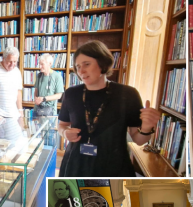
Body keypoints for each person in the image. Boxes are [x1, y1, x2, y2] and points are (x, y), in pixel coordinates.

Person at [58, 40, 159, 177]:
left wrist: (147, 128)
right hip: (76, 164)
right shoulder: (71, 94)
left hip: (113, 166)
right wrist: (65, 133)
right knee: (72, 199)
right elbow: (62, 125)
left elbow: (138, 140)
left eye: (87, 64)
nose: (81, 71)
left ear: (102, 63)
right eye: (77, 66)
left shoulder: (127, 94)